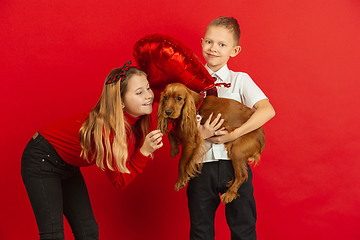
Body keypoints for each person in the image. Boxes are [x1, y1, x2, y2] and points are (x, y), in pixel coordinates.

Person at [21, 61, 163, 240]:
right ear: (120, 102)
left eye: (148, 88)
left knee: (88, 231)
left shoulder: (135, 121)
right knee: (53, 234)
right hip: (42, 157)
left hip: (68, 165)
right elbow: (120, 180)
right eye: (139, 92)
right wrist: (143, 152)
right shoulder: (108, 132)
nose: (149, 95)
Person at [188, 17, 276, 240]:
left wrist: (235, 134)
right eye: (209, 42)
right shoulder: (190, 82)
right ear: (201, 42)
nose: (213, 49)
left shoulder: (240, 80)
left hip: (234, 166)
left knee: (243, 228)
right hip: (200, 165)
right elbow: (179, 124)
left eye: (222, 44)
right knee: (200, 231)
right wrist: (200, 134)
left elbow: (267, 110)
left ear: (234, 50)